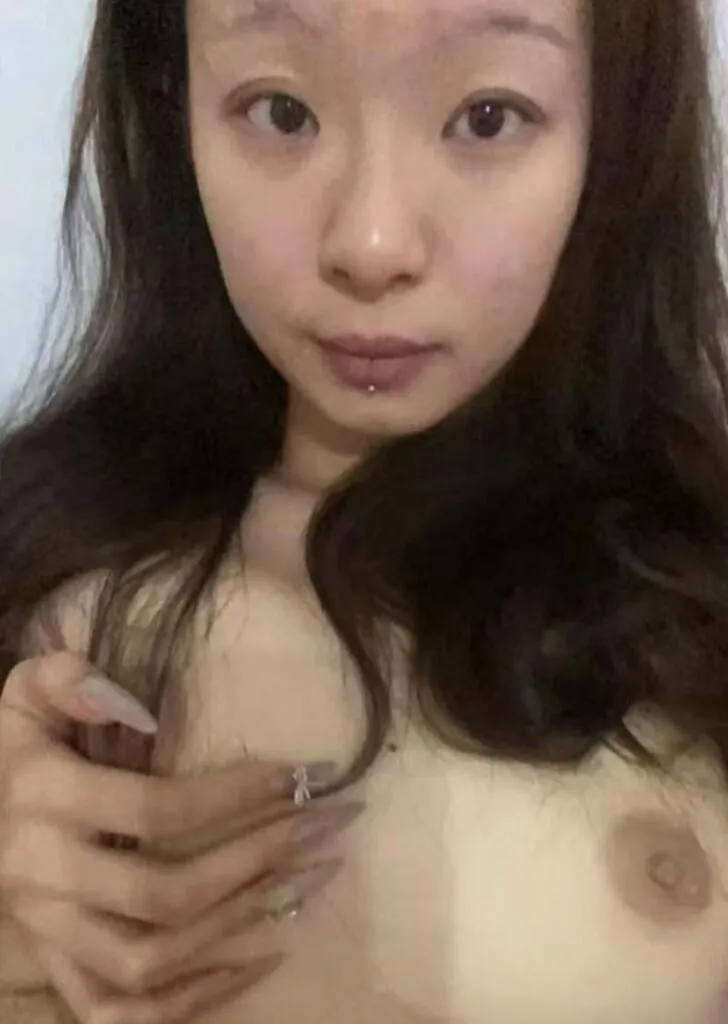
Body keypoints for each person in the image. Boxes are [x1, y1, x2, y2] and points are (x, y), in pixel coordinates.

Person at [1, 0, 728, 1021]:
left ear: (613, 131)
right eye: (282, 111)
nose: (372, 243)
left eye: (486, 117)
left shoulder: (701, 594)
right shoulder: (49, 600)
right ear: (175, 111)